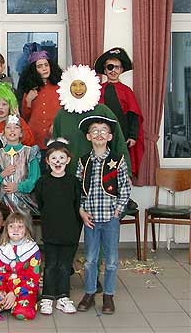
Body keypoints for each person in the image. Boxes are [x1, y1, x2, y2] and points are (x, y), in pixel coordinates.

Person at [75, 116, 131, 315]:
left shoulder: (117, 160)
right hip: (90, 219)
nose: (99, 134)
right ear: (89, 136)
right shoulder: (83, 161)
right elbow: (79, 189)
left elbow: (125, 186)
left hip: (110, 218)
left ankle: (108, 295)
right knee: (90, 259)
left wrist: (119, 209)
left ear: (109, 136)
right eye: (95, 130)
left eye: (103, 130)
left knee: (112, 259)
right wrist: (81, 211)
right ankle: (90, 292)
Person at [52, 64, 132, 176]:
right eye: (74, 85)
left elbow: (118, 143)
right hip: (68, 177)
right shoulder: (61, 115)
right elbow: (55, 148)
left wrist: (126, 173)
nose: (78, 89)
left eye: (82, 84)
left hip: (100, 176)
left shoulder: (103, 111)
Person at [35, 138, 82, 315]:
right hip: (50, 232)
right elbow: (41, 204)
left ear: (68, 160)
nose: (58, 162)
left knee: (64, 265)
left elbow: (77, 206)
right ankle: (47, 297)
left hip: (69, 232)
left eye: (62, 158)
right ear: (47, 161)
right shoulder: (42, 182)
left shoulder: (73, 182)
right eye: (54, 158)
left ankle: (63, 296)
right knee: (50, 265)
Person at [0, 210, 41, 321]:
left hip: (24, 289)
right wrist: (1, 291)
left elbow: (33, 277)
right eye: (11, 226)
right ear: (6, 229)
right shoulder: (1, 248)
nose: (16, 230)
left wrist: (15, 293)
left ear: (26, 230)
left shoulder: (32, 249)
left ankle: (23, 302)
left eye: (20, 226)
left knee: (22, 313)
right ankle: (8, 303)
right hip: (5, 289)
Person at [94, 47, 144, 177]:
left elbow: (134, 115)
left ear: (121, 70)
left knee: (121, 167)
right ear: (105, 70)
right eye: (110, 67)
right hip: (101, 136)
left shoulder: (127, 91)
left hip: (123, 135)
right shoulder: (97, 90)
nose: (113, 70)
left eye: (117, 67)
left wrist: (133, 136)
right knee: (102, 167)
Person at [0, 115, 41, 216]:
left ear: (21, 133)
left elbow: (34, 179)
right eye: (8, 127)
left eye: (16, 127)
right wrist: (2, 174)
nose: (12, 131)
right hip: (2, 203)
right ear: (3, 132)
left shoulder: (29, 153)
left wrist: (19, 187)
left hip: (24, 203)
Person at [20, 51, 63, 168]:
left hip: (55, 139)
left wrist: (57, 124)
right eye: (39, 66)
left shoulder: (61, 88)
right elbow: (25, 116)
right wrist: (28, 101)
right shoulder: (29, 89)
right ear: (34, 70)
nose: (44, 68)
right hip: (35, 139)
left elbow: (66, 111)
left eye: (46, 65)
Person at [0, 82, 35, 146]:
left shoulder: (18, 121)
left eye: (4, 104)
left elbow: (30, 142)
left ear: (10, 105)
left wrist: (17, 121)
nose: (0, 107)